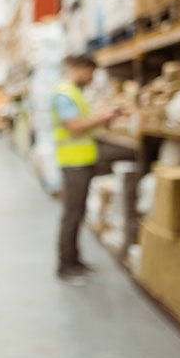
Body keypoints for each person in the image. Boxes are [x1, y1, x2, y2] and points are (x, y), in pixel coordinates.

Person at [52, 54, 126, 283]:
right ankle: (65, 267)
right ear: (81, 69)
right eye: (91, 73)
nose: (92, 78)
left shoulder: (75, 92)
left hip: (81, 161)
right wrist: (104, 117)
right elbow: (74, 127)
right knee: (72, 215)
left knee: (77, 213)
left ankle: (75, 261)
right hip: (73, 162)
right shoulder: (65, 94)